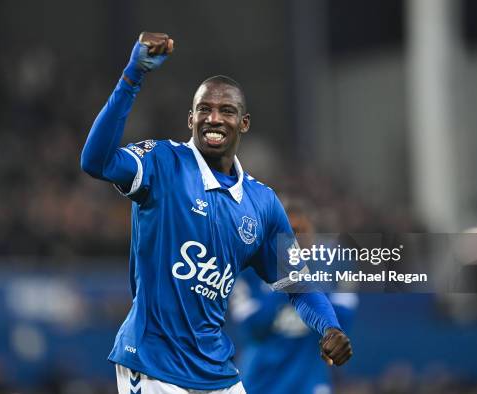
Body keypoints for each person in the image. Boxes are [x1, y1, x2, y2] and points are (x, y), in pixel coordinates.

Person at [80, 32, 352, 394]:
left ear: (244, 123)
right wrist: (133, 75)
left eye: (226, 111)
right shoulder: (164, 163)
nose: (214, 118)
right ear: (190, 118)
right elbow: (95, 161)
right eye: (204, 109)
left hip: (216, 372)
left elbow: (298, 286)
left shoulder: (262, 203)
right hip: (151, 363)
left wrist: (329, 327)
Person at [230, 197, 358, 394]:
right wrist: (288, 280)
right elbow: (251, 328)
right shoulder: (249, 266)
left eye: (301, 231)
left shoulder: (335, 263)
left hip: (310, 379)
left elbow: (343, 321)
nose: (295, 240)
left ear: (312, 233)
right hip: (261, 379)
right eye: (287, 232)